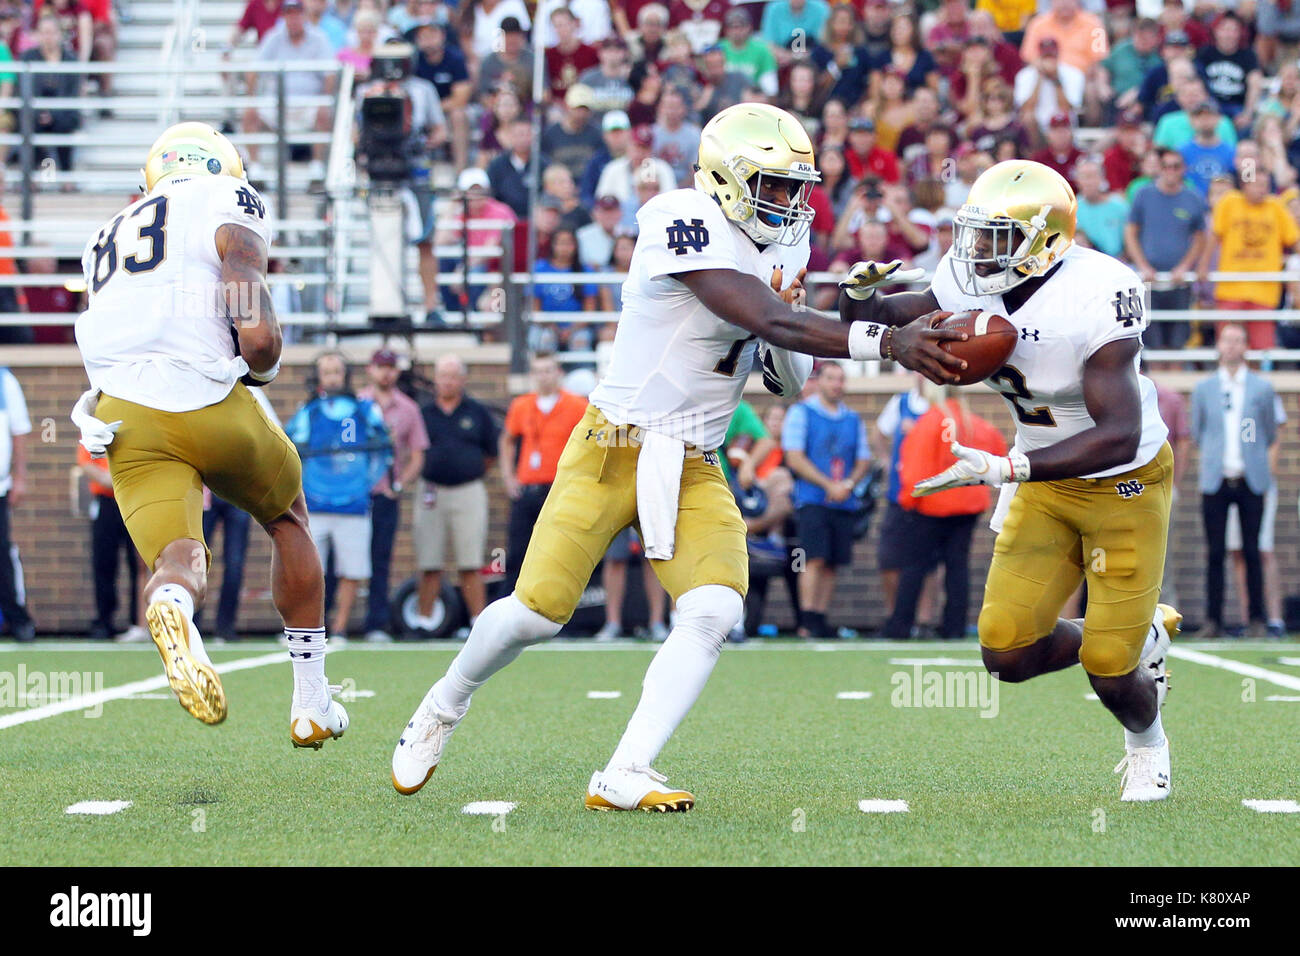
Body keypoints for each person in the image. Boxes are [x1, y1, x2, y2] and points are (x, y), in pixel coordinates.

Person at [390, 102, 969, 810]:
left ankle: (626, 768)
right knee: (536, 613)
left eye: (797, 187)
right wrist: (879, 338)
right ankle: (443, 705)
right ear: (726, 179)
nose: (790, 203)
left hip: (695, 455)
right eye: (774, 186)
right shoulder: (677, 215)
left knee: (716, 607)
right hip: (615, 443)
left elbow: (780, 362)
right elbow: (763, 313)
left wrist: (855, 309)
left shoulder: (789, 240)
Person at [891, 158, 1179, 802]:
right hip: (1044, 478)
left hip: (1122, 480)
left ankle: (1147, 743)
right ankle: (1136, 629)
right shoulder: (971, 276)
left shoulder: (1100, 290)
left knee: (1110, 666)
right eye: (974, 234)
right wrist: (860, 298)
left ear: (1046, 239)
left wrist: (1008, 468)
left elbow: (1118, 433)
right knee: (1006, 652)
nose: (975, 252)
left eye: (995, 237)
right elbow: (912, 311)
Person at [70, 122, 349, 744]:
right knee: (287, 518)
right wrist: (264, 360)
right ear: (224, 164)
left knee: (178, 556)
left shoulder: (104, 234)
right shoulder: (225, 198)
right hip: (206, 394)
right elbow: (248, 296)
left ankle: (173, 605)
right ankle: (311, 701)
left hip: (125, 417)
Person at [885, 382, 1006, 641]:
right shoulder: (975, 424)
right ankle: (954, 628)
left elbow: (914, 469)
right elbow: (998, 454)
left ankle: (900, 626)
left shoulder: (928, 423)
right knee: (957, 567)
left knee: (914, 567)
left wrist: (908, 501)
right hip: (968, 506)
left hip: (931, 506)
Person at [287, 352, 392, 642]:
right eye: (327, 371)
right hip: (316, 504)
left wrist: (364, 484)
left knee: (352, 569)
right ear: (318, 376)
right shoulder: (308, 412)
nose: (332, 377)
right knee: (308, 571)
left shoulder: (365, 410)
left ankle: (340, 628)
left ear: (346, 375)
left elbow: (383, 449)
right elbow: (290, 449)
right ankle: (308, 628)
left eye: (337, 371)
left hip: (354, 506)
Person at [1189, 324, 1278, 639]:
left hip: (1250, 479)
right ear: (1219, 346)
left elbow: (1266, 432)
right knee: (1215, 552)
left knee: (1252, 551)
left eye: (1238, 340)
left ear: (1246, 347)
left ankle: (1256, 618)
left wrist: (1249, 449)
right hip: (1216, 480)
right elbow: (1198, 432)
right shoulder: (1204, 389)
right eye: (1227, 340)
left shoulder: (1260, 388)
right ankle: (1213, 620)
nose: (1232, 346)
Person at [781, 362, 870, 639]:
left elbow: (864, 459)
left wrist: (847, 484)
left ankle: (820, 617)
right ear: (819, 381)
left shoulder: (853, 419)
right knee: (811, 559)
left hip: (842, 501)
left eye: (841, 379)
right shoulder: (801, 412)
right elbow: (794, 457)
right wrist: (827, 484)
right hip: (811, 500)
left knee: (833, 562)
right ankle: (806, 620)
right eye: (831, 379)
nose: (837, 384)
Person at [414, 354, 499, 636]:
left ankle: (478, 623)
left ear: (462, 379)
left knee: (470, 560)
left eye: (453, 376)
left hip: (468, 490)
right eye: (443, 375)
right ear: (435, 379)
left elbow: (491, 453)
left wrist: (467, 470)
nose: (448, 381)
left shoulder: (477, 412)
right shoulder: (423, 413)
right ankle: (424, 621)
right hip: (431, 491)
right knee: (429, 561)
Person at [357, 348, 429, 642]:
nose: (385, 372)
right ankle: (329, 622)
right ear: (369, 369)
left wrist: (398, 485)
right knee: (341, 558)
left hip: (385, 493)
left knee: (380, 557)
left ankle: (376, 622)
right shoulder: (357, 405)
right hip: (355, 496)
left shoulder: (408, 408)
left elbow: (417, 454)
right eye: (380, 367)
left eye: (390, 367)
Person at [500, 354, 588, 593]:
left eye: (548, 370)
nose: (543, 376)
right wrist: (508, 477)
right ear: (532, 375)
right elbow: (507, 440)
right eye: (538, 371)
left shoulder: (576, 406)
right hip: (528, 488)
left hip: (559, 489)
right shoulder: (522, 405)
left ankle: (564, 613)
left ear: (558, 373)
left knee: (560, 553)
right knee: (518, 551)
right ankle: (512, 608)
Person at [1201, 169, 1299, 351]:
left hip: (1264, 290)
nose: (1262, 190)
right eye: (1257, 185)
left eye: (1266, 186)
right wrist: (1203, 266)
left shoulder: (1276, 207)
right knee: (1227, 345)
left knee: (1261, 349)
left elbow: (1294, 240)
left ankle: (1256, 379)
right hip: (1231, 287)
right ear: (1245, 184)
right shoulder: (1229, 202)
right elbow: (1214, 236)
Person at [1125, 148, 1205, 354]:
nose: (1170, 171)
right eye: (1166, 166)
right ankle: (1160, 387)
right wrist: (1142, 266)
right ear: (1159, 168)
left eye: (1175, 166)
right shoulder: (1144, 195)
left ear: (1183, 169)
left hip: (1180, 282)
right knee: (1150, 341)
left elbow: (1200, 237)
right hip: (1149, 281)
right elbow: (1130, 232)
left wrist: (1185, 266)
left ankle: (1175, 386)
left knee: (1179, 340)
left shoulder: (1193, 198)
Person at [1225, 395, 1287, 638]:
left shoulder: (1263, 392)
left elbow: (1275, 439)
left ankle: (1274, 618)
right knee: (1238, 551)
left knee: (1262, 550)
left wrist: (1263, 477)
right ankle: (1247, 618)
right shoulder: (1219, 390)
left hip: (1257, 485)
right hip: (1229, 482)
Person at [79, 444, 142, 642]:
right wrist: (113, 480)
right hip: (107, 499)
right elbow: (85, 462)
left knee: (139, 563)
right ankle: (104, 621)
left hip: (136, 499)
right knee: (104, 562)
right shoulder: (95, 424)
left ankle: (139, 621)